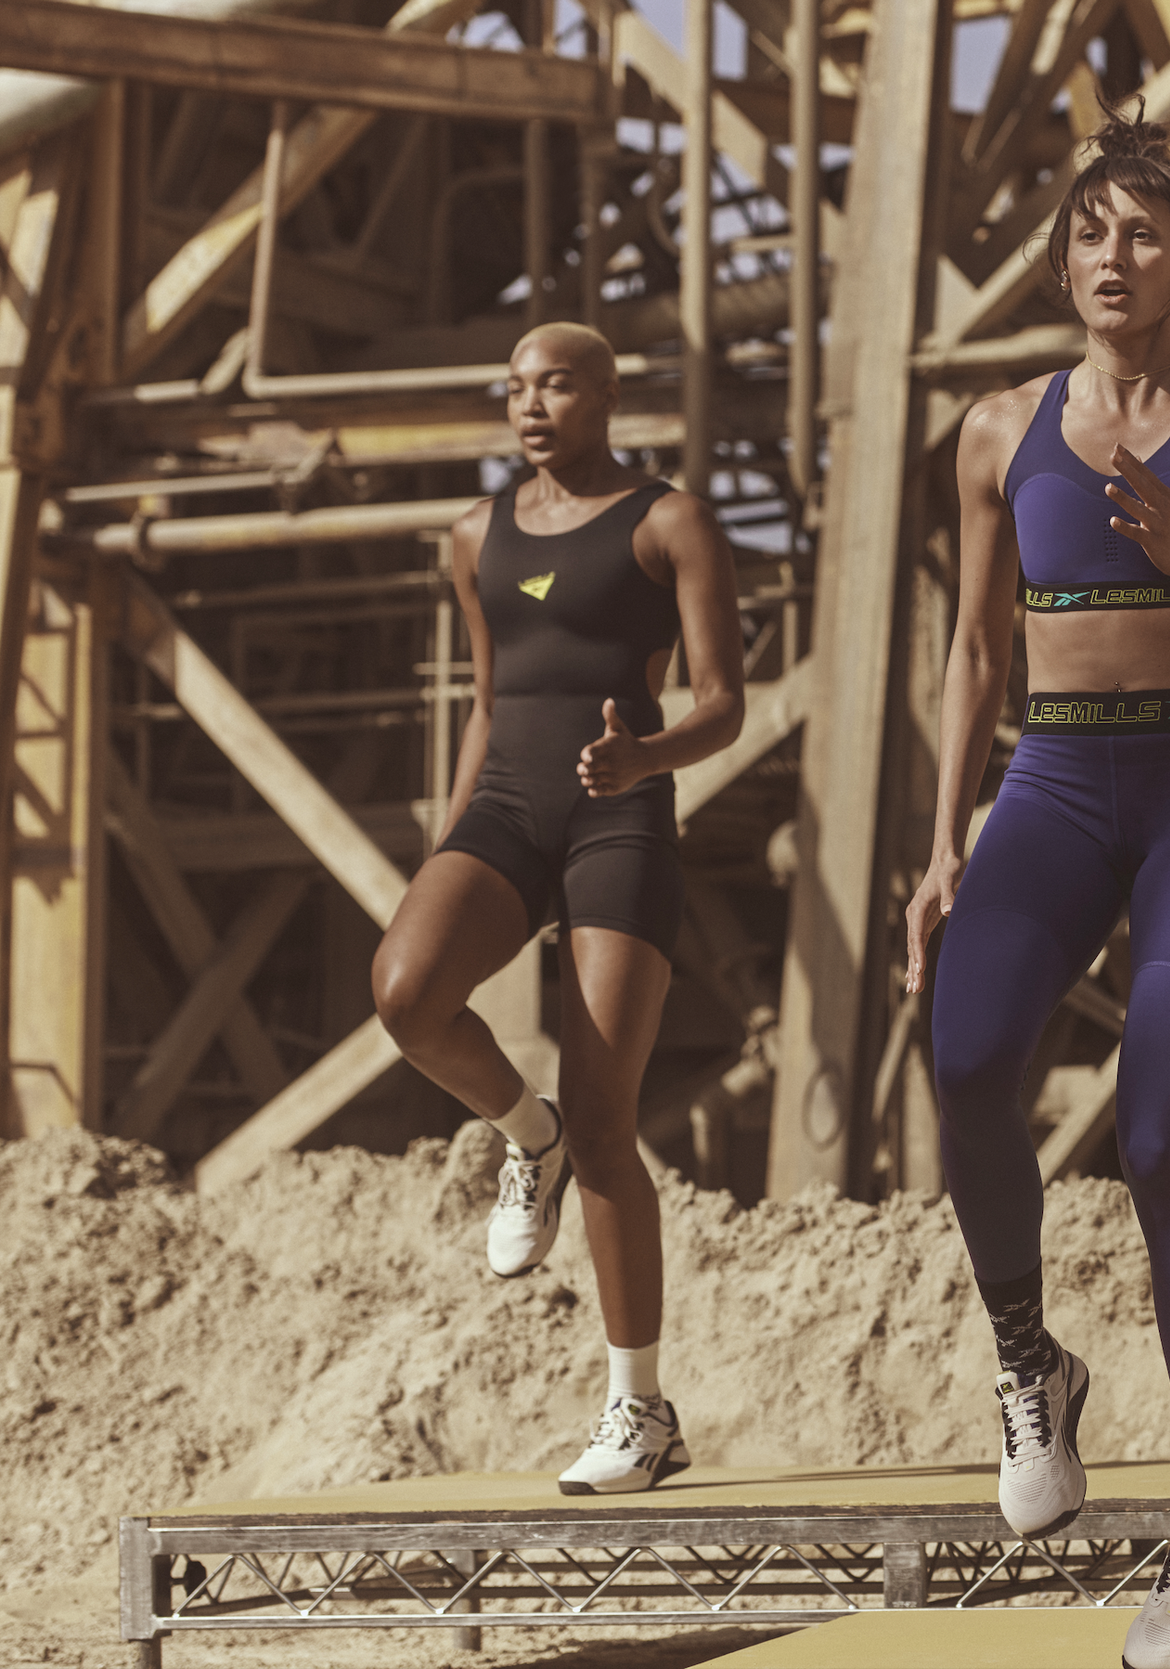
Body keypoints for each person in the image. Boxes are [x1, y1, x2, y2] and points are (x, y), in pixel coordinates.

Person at [899, 109, 1170, 1669]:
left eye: (1142, 233)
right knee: (962, 1055)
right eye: (1089, 232)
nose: (1111, 256)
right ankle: (1033, 1365)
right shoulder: (996, 431)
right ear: (1062, 260)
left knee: (1155, 1137)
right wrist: (944, 843)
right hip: (1057, 781)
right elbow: (975, 650)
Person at [371, 322, 745, 1496]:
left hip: (619, 820)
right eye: (518, 387)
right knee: (406, 992)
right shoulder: (472, 534)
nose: (533, 405)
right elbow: (488, 699)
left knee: (603, 1116)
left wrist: (648, 758)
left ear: (606, 396)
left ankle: (641, 1410)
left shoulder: (668, 522)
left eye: (558, 384)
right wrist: (450, 844)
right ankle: (521, 1135)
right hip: (503, 809)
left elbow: (723, 703)